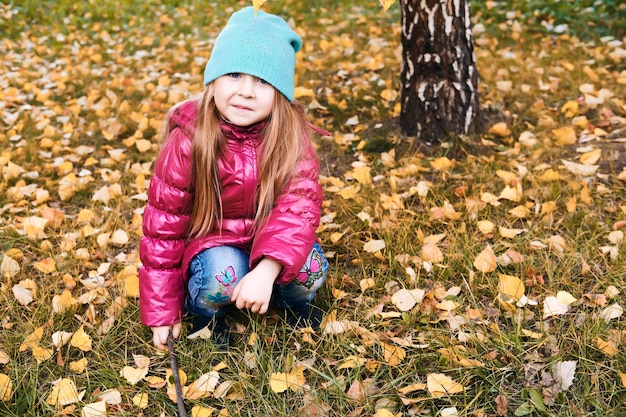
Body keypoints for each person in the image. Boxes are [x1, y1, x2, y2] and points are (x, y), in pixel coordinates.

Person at [138, 6, 329, 350]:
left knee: (310, 269)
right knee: (221, 277)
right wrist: (163, 312)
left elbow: (297, 210)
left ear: (280, 93)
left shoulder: (290, 136)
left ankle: (288, 300)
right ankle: (206, 315)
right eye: (234, 75)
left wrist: (268, 270)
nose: (246, 91)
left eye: (262, 80)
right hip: (215, 243)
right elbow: (163, 229)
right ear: (214, 79)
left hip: (271, 240)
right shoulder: (189, 137)